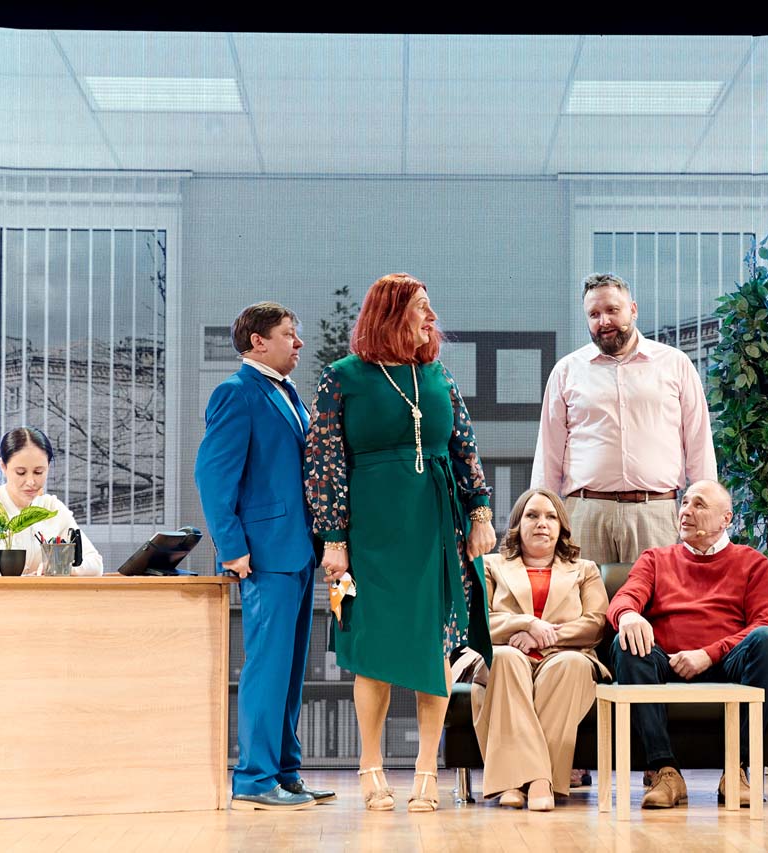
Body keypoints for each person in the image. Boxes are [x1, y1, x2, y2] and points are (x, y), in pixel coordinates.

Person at [306, 273, 495, 814]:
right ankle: (370, 766)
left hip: (436, 527)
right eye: (422, 307)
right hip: (370, 531)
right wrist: (333, 538)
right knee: (374, 653)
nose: (432, 318)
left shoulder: (438, 376)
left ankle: (426, 771)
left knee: (434, 648)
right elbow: (324, 463)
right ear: (391, 314)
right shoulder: (342, 378)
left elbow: (464, 448)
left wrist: (480, 513)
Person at [195, 302, 330, 812]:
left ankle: (286, 774)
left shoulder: (287, 392)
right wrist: (232, 548)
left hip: (298, 550)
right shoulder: (236, 392)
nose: (298, 343)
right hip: (265, 555)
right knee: (267, 670)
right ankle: (254, 779)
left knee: (290, 672)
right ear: (259, 341)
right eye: (289, 334)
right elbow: (213, 476)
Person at [606, 479, 768, 809]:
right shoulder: (655, 558)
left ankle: (736, 771)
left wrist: (708, 654)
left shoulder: (753, 562)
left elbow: (763, 623)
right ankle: (665, 771)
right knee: (625, 642)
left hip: (727, 662)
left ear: (726, 519)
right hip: (666, 661)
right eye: (685, 502)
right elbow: (625, 598)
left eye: (699, 504)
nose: (686, 511)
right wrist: (628, 614)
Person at [531, 272, 716, 566]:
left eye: (612, 310)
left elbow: (698, 443)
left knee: (658, 596)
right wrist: (539, 517)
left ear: (633, 309)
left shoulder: (675, 364)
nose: (603, 321)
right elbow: (549, 452)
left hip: (656, 514)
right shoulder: (567, 371)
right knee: (580, 597)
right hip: (585, 514)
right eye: (594, 314)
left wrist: (708, 511)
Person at [472, 488, 609, 811]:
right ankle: (538, 781)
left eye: (550, 517)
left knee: (570, 664)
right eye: (532, 516)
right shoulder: (491, 565)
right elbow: (478, 621)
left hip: (564, 655)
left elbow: (595, 624)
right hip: (507, 653)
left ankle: (517, 783)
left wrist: (542, 636)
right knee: (505, 658)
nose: (542, 523)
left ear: (562, 526)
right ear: (518, 524)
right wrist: (526, 624)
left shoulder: (585, 569)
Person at [0, 426, 104, 576]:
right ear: (3, 466)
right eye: (21, 472)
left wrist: (62, 568)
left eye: (38, 472)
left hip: (44, 591)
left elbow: (95, 564)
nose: (31, 481)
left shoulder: (51, 508)